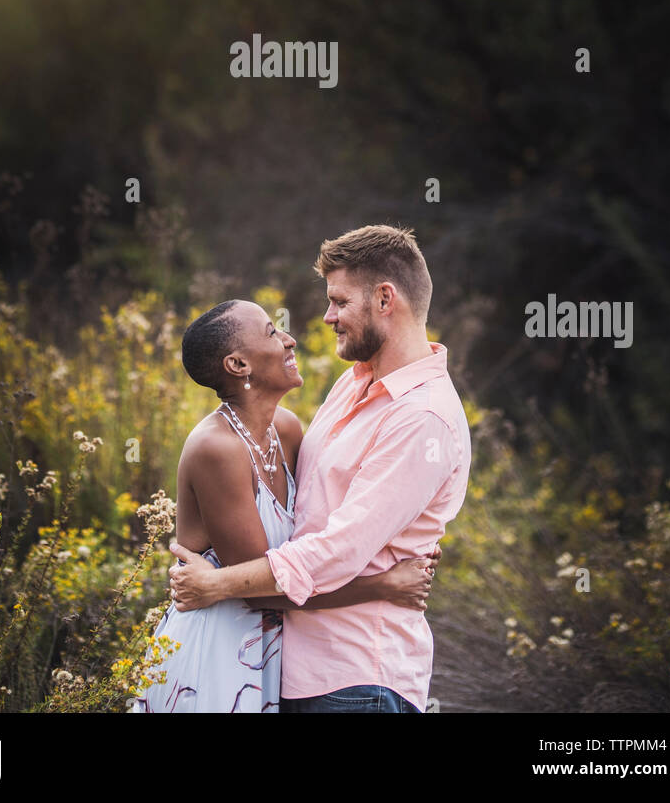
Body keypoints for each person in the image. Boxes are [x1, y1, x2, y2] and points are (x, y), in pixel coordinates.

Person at [170, 224, 471, 714]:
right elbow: (304, 515)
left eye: (339, 301)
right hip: (293, 669)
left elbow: (340, 549)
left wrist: (218, 585)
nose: (326, 317)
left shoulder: (422, 417)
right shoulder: (350, 387)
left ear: (385, 300)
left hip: (359, 676)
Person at [129, 294, 438, 712]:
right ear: (238, 365)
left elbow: (328, 513)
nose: (289, 339)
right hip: (221, 647)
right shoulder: (216, 449)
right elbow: (263, 591)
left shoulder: (286, 429)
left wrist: (407, 537)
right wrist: (382, 586)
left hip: (277, 650)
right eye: (272, 332)